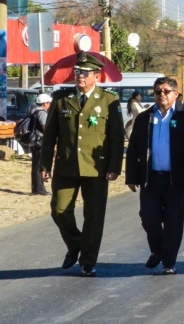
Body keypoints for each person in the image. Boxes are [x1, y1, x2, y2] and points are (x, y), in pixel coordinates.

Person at [40, 52, 126, 277]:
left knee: (94, 216)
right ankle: (76, 243)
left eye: (85, 73)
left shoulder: (109, 100)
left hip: (97, 168)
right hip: (66, 166)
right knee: (59, 210)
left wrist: (114, 167)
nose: (80, 76)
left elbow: (116, 137)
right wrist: (44, 164)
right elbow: (49, 135)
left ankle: (88, 260)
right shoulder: (62, 98)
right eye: (78, 72)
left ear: (96, 76)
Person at [125, 77, 184, 275]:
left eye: (166, 91)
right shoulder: (144, 118)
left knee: (173, 221)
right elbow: (133, 149)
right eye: (158, 91)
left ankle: (168, 262)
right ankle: (158, 250)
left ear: (176, 94)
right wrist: (131, 177)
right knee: (148, 218)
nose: (162, 94)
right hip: (150, 178)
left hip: (177, 179)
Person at [29, 93, 52, 196]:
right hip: (40, 141)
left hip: (33, 141)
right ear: (44, 103)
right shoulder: (42, 112)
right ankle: (39, 189)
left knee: (35, 165)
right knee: (39, 165)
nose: (50, 105)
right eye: (49, 103)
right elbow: (45, 128)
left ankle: (36, 188)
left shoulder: (33, 111)